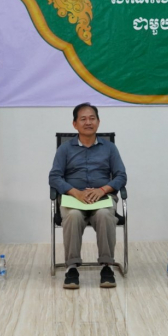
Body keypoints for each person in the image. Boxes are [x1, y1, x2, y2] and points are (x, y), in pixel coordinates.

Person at [49, 103, 127, 290]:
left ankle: (107, 266)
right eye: (83, 119)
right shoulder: (65, 149)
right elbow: (54, 177)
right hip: (73, 199)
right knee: (73, 216)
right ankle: (72, 268)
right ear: (75, 124)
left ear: (98, 122)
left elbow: (121, 176)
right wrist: (75, 192)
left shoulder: (109, 148)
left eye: (92, 118)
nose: (88, 122)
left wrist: (102, 190)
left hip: (102, 198)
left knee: (105, 215)